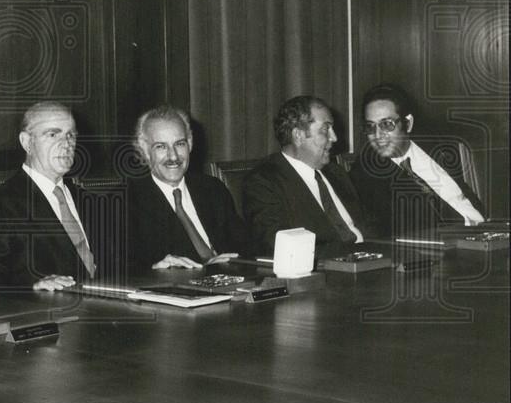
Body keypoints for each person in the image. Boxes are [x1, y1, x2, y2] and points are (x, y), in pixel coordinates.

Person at [0, 102, 97, 293]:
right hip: (54, 315)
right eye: (53, 134)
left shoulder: (89, 200)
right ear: (27, 142)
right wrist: (33, 288)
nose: (66, 144)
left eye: (70, 135)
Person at [349, 83, 485, 237]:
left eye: (387, 125)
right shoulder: (364, 174)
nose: (378, 135)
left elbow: (465, 196)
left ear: (408, 123)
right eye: (370, 127)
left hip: (488, 232)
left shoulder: (437, 145)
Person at [127, 106, 251, 272]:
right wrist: (154, 268)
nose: (173, 156)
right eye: (161, 147)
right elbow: (121, 268)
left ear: (190, 144)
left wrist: (234, 259)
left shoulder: (213, 189)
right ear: (144, 151)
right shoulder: (127, 201)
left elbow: (246, 247)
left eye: (179, 144)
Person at [242, 95, 367, 256]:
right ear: (298, 136)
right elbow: (278, 246)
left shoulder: (337, 173)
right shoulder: (263, 182)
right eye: (325, 129)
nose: (334, 138)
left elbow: (368, 226)